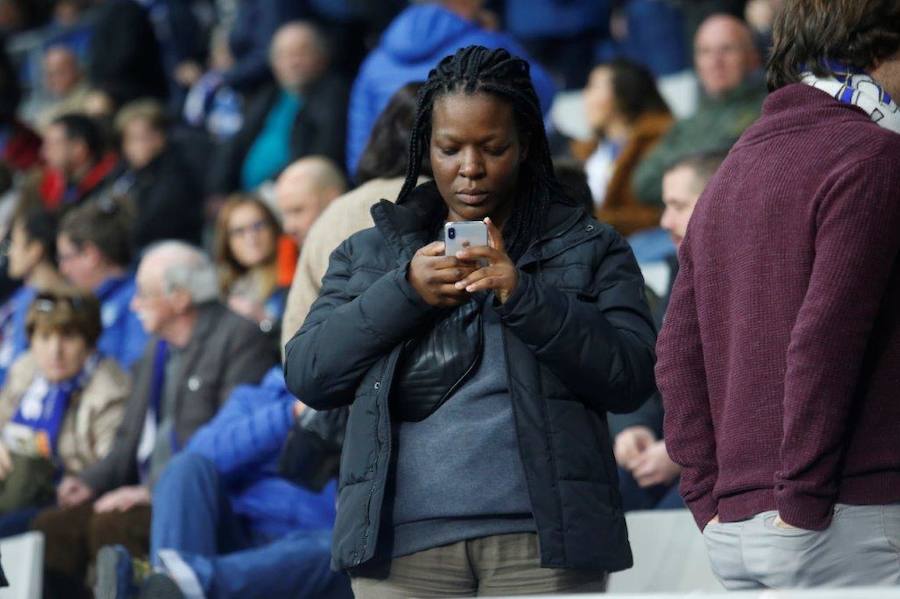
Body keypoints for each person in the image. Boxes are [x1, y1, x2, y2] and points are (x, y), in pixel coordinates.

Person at [285, 46, 656, 597]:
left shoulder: (589, 245)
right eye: (450, 148)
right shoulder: (369, 253)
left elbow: (630, 376)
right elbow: (310, 373)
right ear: (423, 149)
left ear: (527, 144)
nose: (470, 168)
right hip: (401, 552)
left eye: (493, 147)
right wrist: (404, 293)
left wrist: (524, 294)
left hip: (544, 547)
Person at [656, 0, 900, 589]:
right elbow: (825, 342)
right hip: (846, 521)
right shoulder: (875, 157)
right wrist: (799, 505)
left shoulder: (730, 171)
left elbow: (673, 354)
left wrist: (711, 504)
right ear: (879, 50)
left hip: (748, 530)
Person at [31, 241, 275, 599]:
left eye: (144, 294)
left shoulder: (239, 338)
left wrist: (152, 490)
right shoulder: (156, 346)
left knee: (113, 526)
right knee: (52, 526)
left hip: (201, 498)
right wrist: (89, 481)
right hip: (142, 487)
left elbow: (227, 441)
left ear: (179, 298)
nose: (134, 303)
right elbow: (129, 436)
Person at [96, 367, 351, 599]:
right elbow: (205, 453)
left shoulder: (363, 400)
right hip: (240, 535)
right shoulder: (254, 398)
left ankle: (172, 582)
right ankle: (179, 580)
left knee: (334, 550)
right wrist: (290, 414)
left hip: (309, 548)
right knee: (185, 467)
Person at [609, 151, 726, 512]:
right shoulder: (681, 269)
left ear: (718, 204)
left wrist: (681, 452)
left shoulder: (753, 281)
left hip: (724, 462)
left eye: (678, 206)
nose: (664, 220)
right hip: (674, 448)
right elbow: (650, 370)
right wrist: (634, 428)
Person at [280, 83, 423, 351]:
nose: (289, 226)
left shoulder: (333, 216)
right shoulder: (469, 201)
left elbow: (295, 341)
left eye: (298, 210)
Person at [344, 0, 557, 176]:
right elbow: (541, 94)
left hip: (390, 184)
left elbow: (359, 146)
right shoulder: (487, 43)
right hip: (467, 179)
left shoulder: (375, 60)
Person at [0, 289, 128, 537]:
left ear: (89, 343)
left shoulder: (109, 391)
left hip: (66, 502)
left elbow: (107, 471)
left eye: (68, 337)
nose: (55, 351)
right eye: (45, 337)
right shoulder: (27, 368)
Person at [632, 13, 766, 206]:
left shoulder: (769, 112)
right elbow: (643, 182)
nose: (715, 62)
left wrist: (679, 167)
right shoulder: (687, 124)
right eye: (705, 52)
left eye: (727, 50)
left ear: (752, 57)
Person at [207, 21, 349, 195]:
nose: (293, 62)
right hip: (248, 197)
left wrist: (270, 189)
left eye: (302, 53)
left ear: (322, 57)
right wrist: (219, 191)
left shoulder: (334, 96)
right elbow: (235, 145)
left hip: (295, 193)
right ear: (274, 63)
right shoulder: (268, 95)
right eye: (284, 55)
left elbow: (322, 154)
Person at [578, 58, 673, 236]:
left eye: (593, 87)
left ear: (621, 94)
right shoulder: (589, 150)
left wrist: (595, 221)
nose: (585, 96)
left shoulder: (658, 142)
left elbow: (658, 213)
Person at [57, 196, 148, 369]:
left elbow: (135, 371)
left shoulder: (137, 300)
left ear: (91, 255)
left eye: (66, 258)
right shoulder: (85, 303)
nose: (63, 269)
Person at [111, 99, 204, 253]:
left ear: (160, 137)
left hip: (168, 249)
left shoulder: (175, 172)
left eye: (140, 137)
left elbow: (152, 223)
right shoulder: (124, 171)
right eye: (129, 139)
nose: (134, 146)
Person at [0, 204, 66, 387]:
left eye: (13, 243)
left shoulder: (55, 302)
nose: (9, 253)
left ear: (35, 249)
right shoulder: (22, 295)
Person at [214, 194, 287, 335]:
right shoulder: (229, 290)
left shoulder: (292, 274)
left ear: (273, 228)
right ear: (227, 242)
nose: (251, 237)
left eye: (258, 225)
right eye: (239, 231)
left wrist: (265, 320)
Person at [38, 113, 118, 211]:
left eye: (52, 145)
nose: (43, 153)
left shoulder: (111, 185)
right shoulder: (54, 185)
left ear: (78, 148)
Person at [25, 45, 91, 133]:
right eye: (46, 74)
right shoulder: (45, 105)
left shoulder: (90, 100)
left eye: (56, 73)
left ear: (75, 70)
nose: (49, 80)